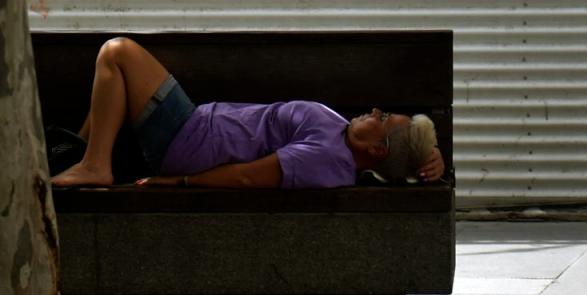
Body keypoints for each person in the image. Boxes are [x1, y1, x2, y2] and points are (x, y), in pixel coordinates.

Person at [50, 37, 446, 189]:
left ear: (377, 150)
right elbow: (401, 160)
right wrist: (431, 157)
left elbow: (245, 177)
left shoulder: (324, 159)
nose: (375, 110)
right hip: (193, 129)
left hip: (189, 140)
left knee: (117, 53)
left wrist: (177, 183)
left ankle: (93, 163)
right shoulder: (342, 137)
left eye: (382, 118)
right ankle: (80, 155)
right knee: (114, 83)